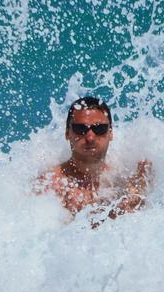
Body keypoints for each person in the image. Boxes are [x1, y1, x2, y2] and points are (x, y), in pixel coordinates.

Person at [36, 96, 154, 227]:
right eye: (81, 129)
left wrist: (141, 186)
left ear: (110, 133)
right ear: (67, 133)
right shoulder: (51, 185)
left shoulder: (122, 172)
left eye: (99, 129)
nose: (90, 137)